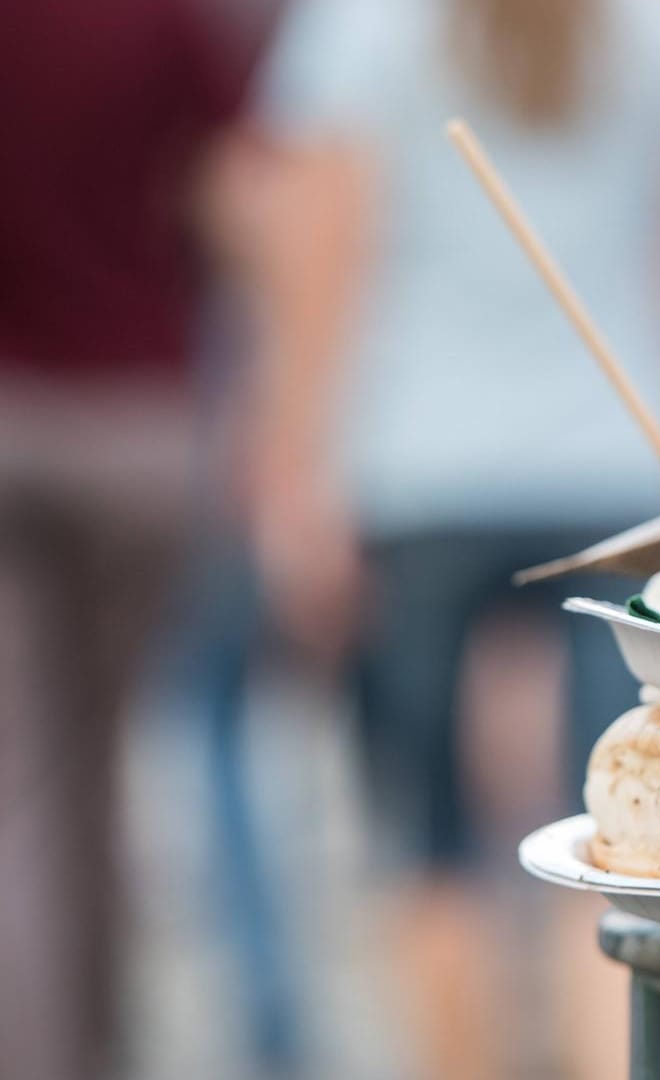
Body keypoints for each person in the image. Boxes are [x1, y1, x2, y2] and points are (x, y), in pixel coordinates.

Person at [249, 0, 660, 1074]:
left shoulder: (357, 34)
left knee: (428, 847)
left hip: (416, 477)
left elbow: (319, 275)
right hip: (616, 482)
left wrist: (292, 484)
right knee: (608, 836)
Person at [0, 2, 257, 1076]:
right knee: (102, 759)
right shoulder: (166, 19)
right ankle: (96, 1042)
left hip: (14, 415)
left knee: (29, 781)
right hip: (145, 428)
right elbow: (239, 191)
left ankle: (43, 1048)